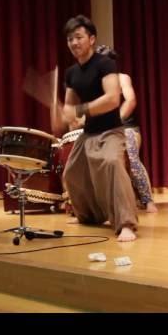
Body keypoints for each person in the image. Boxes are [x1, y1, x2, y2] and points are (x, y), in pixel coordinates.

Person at [56, 15, 139, 242]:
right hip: (89, 132)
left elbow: (113, 99)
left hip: (111, 130)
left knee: (112, 164)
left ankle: (126, 224)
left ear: (91, 39)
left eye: (79, 37)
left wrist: (80, 110)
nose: (74, 43)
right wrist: (68, 115)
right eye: (70, 39)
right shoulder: (71, 72)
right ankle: (90, 216)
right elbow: (71, 105)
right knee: (72, 172)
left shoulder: (105, 64)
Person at [96, 45, 158, 213]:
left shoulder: (122, 78)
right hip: (104, 131)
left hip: (127, 128)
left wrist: (116, 121)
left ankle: (147, 200)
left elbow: (130, 101)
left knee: (131, 156)